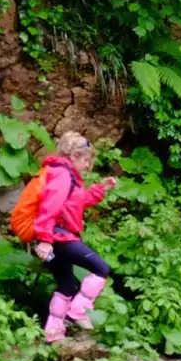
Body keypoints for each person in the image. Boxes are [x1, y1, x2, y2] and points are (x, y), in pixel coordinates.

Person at [30, 133, 117, 343]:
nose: (88, 166)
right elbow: (50, 206)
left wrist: (100, 189)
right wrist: (45, 239)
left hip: (55, 238)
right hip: (60, 238)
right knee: (101, 268)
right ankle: (78, 312)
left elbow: (75, 203)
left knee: (66, 285)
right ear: (75, 155)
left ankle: (53, 333)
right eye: (86, 160)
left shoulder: (65, 175)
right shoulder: (62, 174)